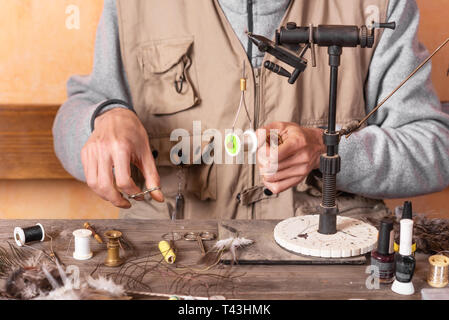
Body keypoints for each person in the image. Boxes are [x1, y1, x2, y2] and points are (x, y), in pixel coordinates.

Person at [53, 0, 449, 220]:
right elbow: (73, 119)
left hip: (328, 272)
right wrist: (104, 117)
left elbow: (436, 148)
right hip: (174, 268)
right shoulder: (134, 5)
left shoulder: (378, 6)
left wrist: (329, 153)